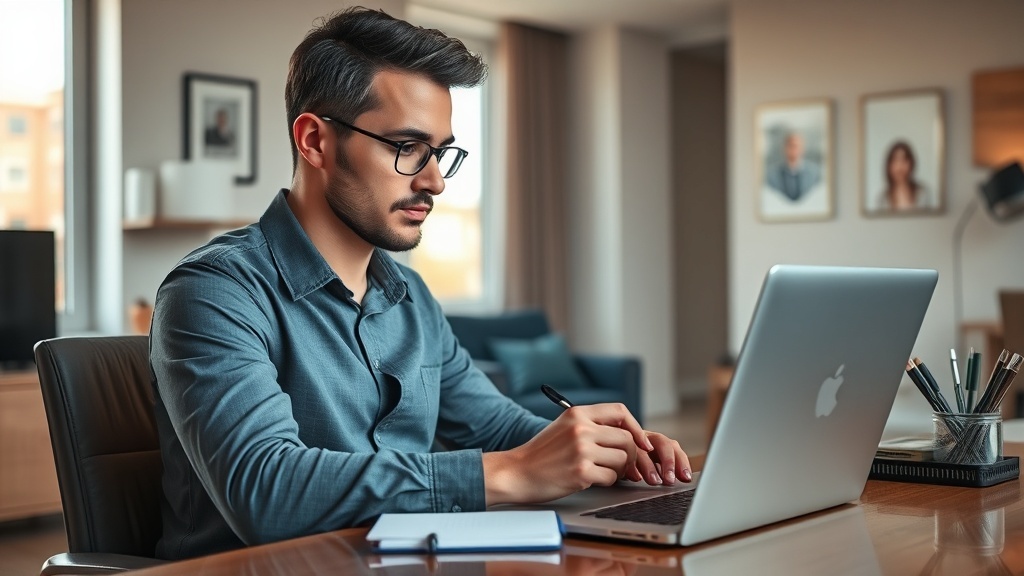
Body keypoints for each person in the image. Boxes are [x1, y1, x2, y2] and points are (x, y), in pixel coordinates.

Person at [150, 7, 691, 560]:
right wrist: (508, 473)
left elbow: (495, 425)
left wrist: (599, 449)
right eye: (407, 148)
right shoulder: (214, 293)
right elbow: (265, 489)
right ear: (315, 141)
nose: (433, 181)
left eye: (440, 152)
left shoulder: (411, 300)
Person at [765, 132, 821, 202]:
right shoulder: (772, 175)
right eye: (790, 146)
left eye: (797, 146)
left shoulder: (814, 173)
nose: (794, 150)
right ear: (784, 148)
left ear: (803, 148)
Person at [876, 141, 930, 211]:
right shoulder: (882, 199)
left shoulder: (923, 194)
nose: (899, 167)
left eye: (904, 160)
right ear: (889, 166)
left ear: (911, 164)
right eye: (895, 161)